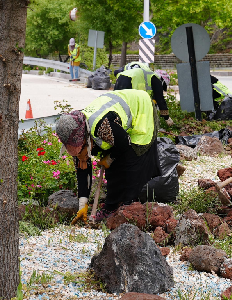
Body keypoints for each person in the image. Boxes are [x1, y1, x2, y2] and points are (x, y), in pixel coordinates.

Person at [56, 89, 159, 222]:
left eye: (80, 152)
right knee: (113, 168)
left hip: (141, 108)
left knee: (131, 161)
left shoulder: (102, 126)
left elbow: (124, 144)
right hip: (116, 120)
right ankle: (111, 207)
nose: (79, 156)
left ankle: (128, 207)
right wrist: (83, 204)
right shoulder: (77, 134)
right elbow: (83, 170)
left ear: (86, 140)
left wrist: (109, 158)